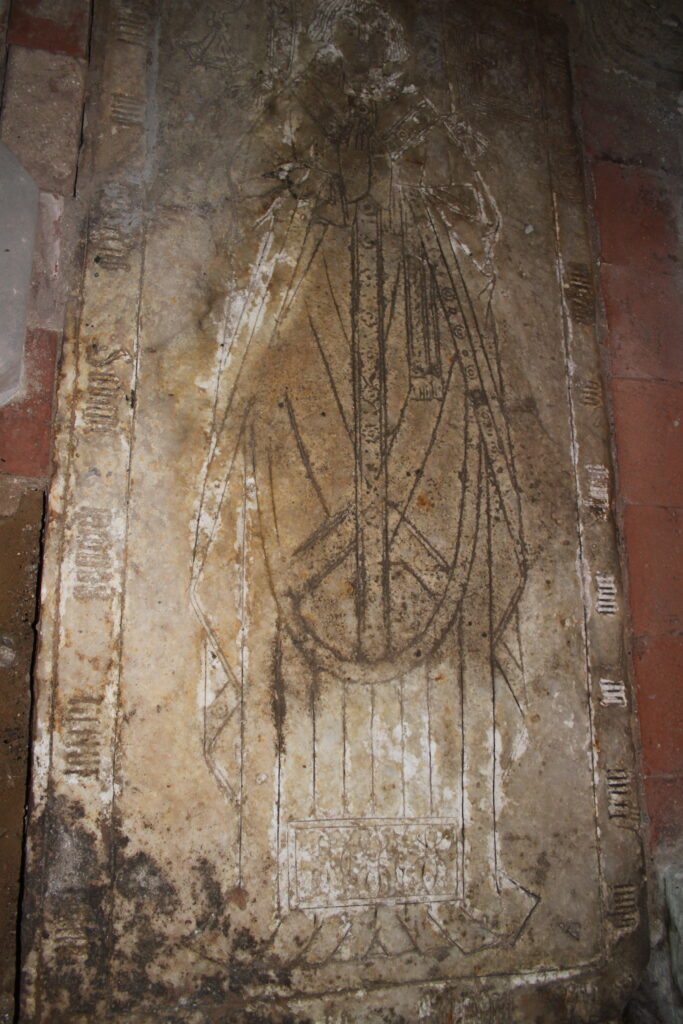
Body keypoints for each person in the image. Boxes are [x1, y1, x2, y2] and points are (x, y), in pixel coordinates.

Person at [191, 0, 536, 962]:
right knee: (281, 608)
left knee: (452, 603)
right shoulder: (294, 230)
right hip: (306, 458)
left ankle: (455, 882)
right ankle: (282, 886)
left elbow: (474, 326)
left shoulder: (429, 232)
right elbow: (251, 342)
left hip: (425, 460)